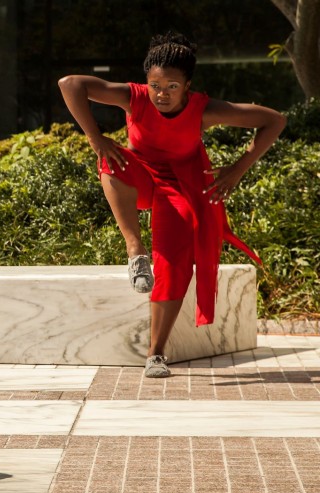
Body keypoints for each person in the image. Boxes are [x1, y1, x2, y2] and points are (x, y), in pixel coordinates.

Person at [58, 32, 286, 378]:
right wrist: (95, 137)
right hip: (143, 179)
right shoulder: (133, 97)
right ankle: (136, 252)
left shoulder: (204, 109)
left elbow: (274, 120)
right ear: (146, 82)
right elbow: (70, 83)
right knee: (110, 160)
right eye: (156, 85)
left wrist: (237, 170)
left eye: (172, 86)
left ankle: (156, 355)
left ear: (188, 86)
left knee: (175, 264)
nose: (162, 94)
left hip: (181, 188)